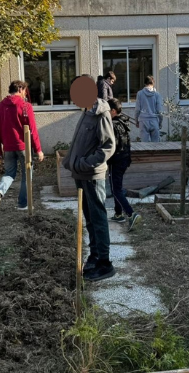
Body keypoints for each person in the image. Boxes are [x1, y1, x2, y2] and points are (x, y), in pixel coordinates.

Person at [61, 74, 116, 281]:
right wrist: (69, 161)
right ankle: (95, 255)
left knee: (98, 218)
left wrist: (83, 163)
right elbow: (80, 142)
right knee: (90, 219)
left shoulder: (101, 114)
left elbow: (108, 147)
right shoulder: (87, 112)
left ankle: (105, 263)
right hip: (80, 175)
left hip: (92, 175)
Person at [0, 79, 43, 210]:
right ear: (20, 89)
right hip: (23, 146)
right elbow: (32, 129)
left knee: (9, 173)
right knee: (27, 174)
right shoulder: (25, 106)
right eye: (25, 91)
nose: (26, 94)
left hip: (8, 147)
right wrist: (38, 149)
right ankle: (22, 204)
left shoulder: (0, 106)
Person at [108, 98, 139, 230]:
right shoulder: (123, 121)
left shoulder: (114, 125)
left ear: (113, 111)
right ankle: (118, 213)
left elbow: (111, 146)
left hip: (117, 160)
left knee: (116, 189)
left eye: (107, 111)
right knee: (116, 186)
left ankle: (131, 214)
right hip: (124, 159)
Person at [135, 75, 163, 142]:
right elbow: (159, 111)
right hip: (154, 120)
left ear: (145, 84)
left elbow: (137, 109)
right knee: (156, 145)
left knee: (144, 146)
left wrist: (136, 121)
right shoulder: (157, 95)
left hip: (143, 120)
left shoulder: (140, 94)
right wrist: (160, 122)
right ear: (153, 83)